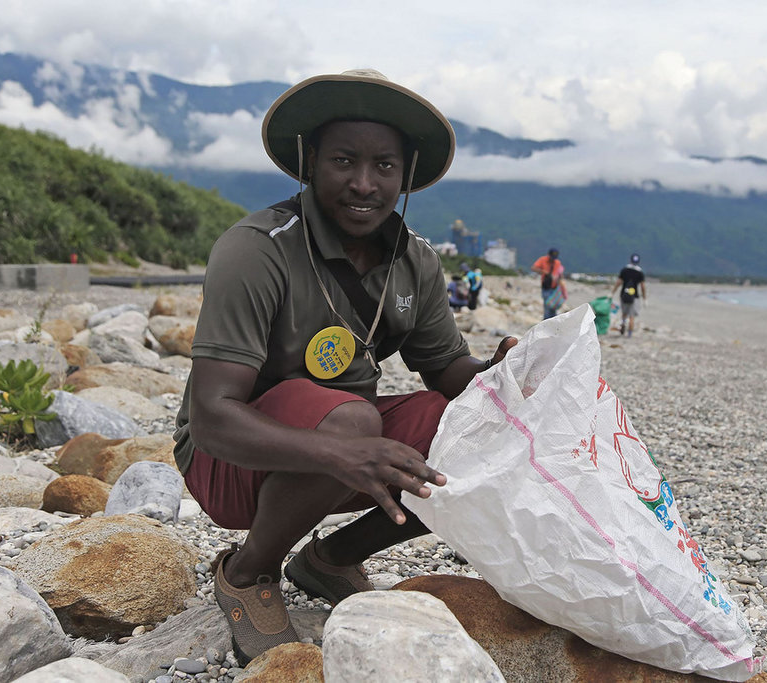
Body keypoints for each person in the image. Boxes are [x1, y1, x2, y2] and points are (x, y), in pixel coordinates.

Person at [172, 69, 517, 665]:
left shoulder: (415, 263)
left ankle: (329, 560)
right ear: (310, 163)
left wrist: (505, 373)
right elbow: (210, 417)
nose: (363, 183)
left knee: (475, 426)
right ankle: (249, 571)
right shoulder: (258, 248)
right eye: (343, 161)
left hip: (339, 445)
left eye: (384, 166)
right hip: (230, 460)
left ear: (406, 173)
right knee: (354, 423)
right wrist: (341, 453)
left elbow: (450, 375)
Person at [611, 253, 646, 336]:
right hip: (634, 296)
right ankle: (629, 334)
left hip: (624, 295)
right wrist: (645, 298)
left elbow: (619, 282)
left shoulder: (625, 270)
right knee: (632, 316)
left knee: (624, 313)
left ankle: (623, 324)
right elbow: (642, 286)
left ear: (630, 260)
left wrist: (612, 292)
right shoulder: (640, 272)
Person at [531, 247, 567, 319]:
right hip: (546, 287)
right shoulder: (543, 260)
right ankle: (546, 321)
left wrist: (563, 287)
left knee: (553, 307)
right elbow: (533, 268)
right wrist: (544, 272)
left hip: (555, 288)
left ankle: (552, 321)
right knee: (547, 306)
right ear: (549, 255)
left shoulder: (557, 262)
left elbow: (560, 274)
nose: (552, 259)